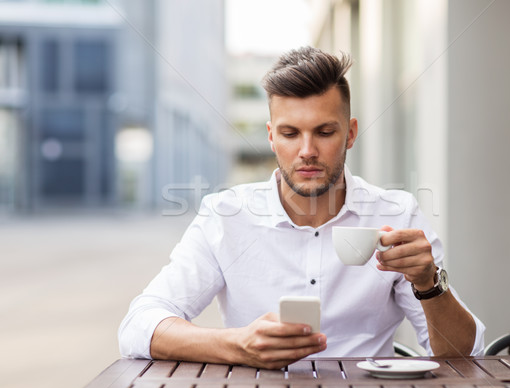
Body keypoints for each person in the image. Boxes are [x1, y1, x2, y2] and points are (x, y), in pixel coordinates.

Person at [118, 46, 485, 369]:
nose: (307, 150)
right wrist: (236, 345)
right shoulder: (225, 216)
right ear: (271, 137)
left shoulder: (396, 214)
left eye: (325, 132)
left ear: (351, 133)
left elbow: (466, 354)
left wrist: (429, 283)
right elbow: (138, 326)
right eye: (291, 133)